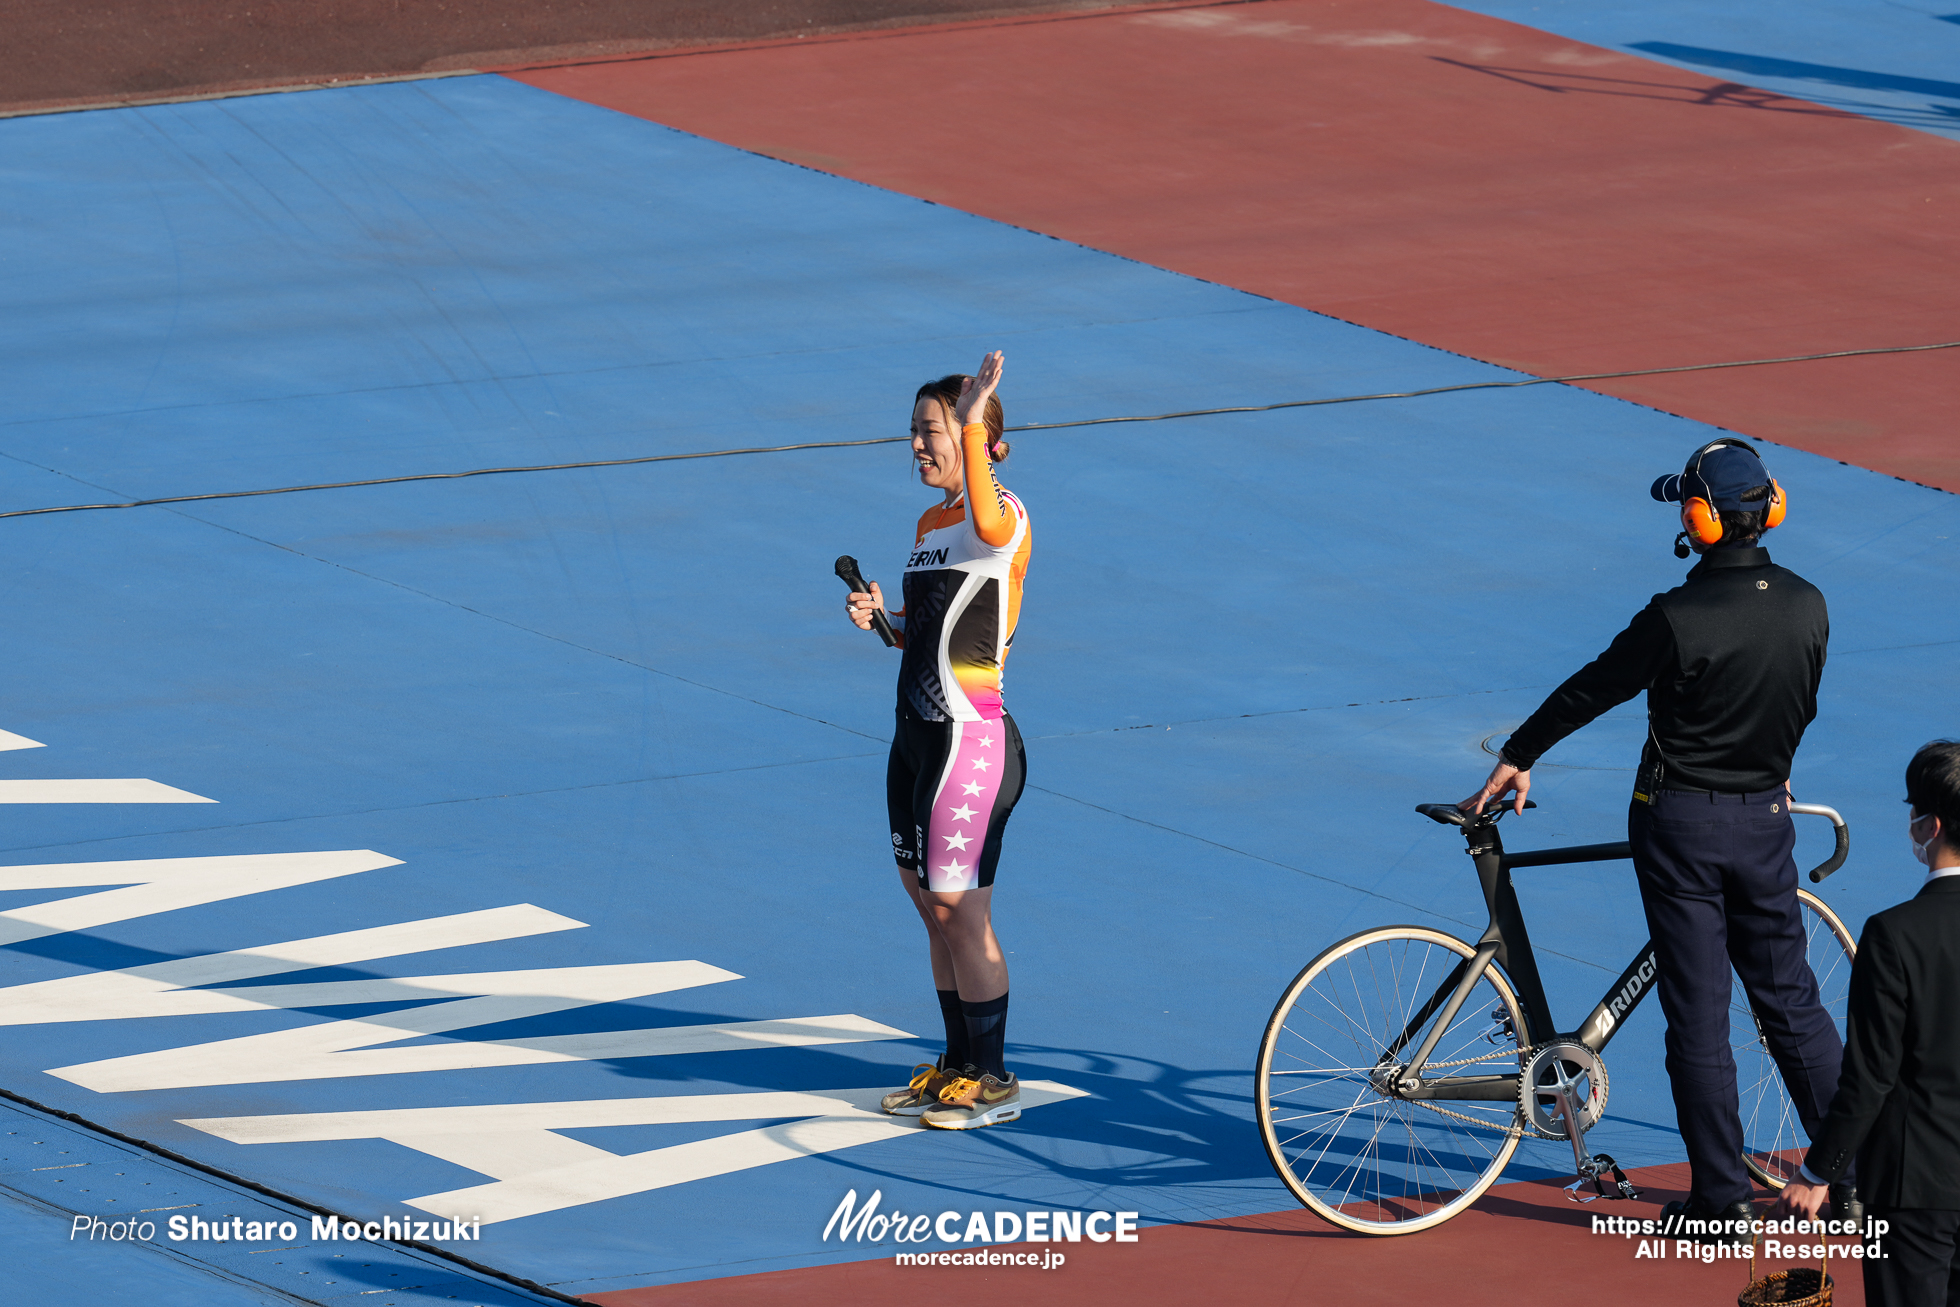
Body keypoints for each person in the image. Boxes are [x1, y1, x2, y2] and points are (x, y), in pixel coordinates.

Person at [1461, 438, 1850, 1235]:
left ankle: (1722, 1198)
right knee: (1793, 1002)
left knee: (1699, 1013)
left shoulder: (1675, 617)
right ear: (1771, 509)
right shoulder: (1810, 602)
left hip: (1681, 826)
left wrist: (1519, 753)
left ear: (1699, 519)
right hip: (1766, 819)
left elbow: (1592, 688)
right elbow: (1799, 708)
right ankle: (1844, 1173)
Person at [843, 350, 1031, 1131]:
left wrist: (979, 408)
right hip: (914, 737)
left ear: (974, 434)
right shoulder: (929, 524)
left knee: (963, 909)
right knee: (930, 906)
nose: (916, 446)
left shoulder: (1004, 514)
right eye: (912, 433)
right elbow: (928, 635)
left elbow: (987, 519)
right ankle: (956, 1063)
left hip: (971, 741)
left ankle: (992, 1076)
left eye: (931, 431)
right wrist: (881, 622)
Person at [1773, 742, 1960, 1306]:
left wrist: (1817, 1172)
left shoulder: (1895, 934)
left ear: (1930, 826)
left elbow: (1870, 1075)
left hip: (1916, 1185)